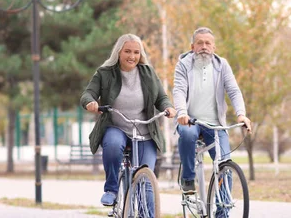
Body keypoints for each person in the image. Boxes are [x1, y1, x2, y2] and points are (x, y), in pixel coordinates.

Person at [80, 34, 176, 207]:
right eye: (127, 51)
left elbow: (161, 97)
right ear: (119, 52)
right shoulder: (105, 73)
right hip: (116, 127)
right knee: (113, 144)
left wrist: (168, 107)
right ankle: (111, 189)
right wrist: (91, 102)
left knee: (146, 180)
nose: (132, 56)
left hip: (145, 130)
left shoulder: (147, 73)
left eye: (136, 52)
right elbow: (88, 93)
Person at [173, 27, 252, 196]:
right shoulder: (183, 65)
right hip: (190, 120)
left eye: (208, 43)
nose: (204, 46)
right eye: (199, 43)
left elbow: (234, 91)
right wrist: (181, 113)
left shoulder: (222, 65)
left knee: (225, 165)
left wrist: (241, 114)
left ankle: (222, 216)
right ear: (192, 46)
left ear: (214, 47)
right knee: (187, 135)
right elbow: (178, 90)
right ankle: (187, 177)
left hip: (215, 124)